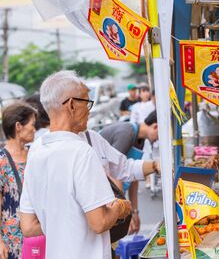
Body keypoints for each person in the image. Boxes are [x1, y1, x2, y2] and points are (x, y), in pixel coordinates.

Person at [19, 71, 131, 259]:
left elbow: (28, 226)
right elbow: (100, 222)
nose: (89, 110)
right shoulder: (81, 151)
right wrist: (121, 207)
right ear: (71, 105)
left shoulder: (36, 153)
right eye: (86, 102)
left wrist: (65, 223)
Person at [99, 111, 159, 234]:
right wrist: (124, 212)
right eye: (161, 135)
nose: (159, 139)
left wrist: (135, 212)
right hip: (106, 198)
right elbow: (115, 174)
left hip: (117, 197)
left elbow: (133, 176)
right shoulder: (126, 134)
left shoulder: (140, 140)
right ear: (155, 126)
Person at [0, 102, 37, 259]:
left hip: (39, 233)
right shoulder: (2, 161)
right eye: (32, 125)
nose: (35, 129)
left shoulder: (36, 154)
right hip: (12, 241)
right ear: (18, 126)